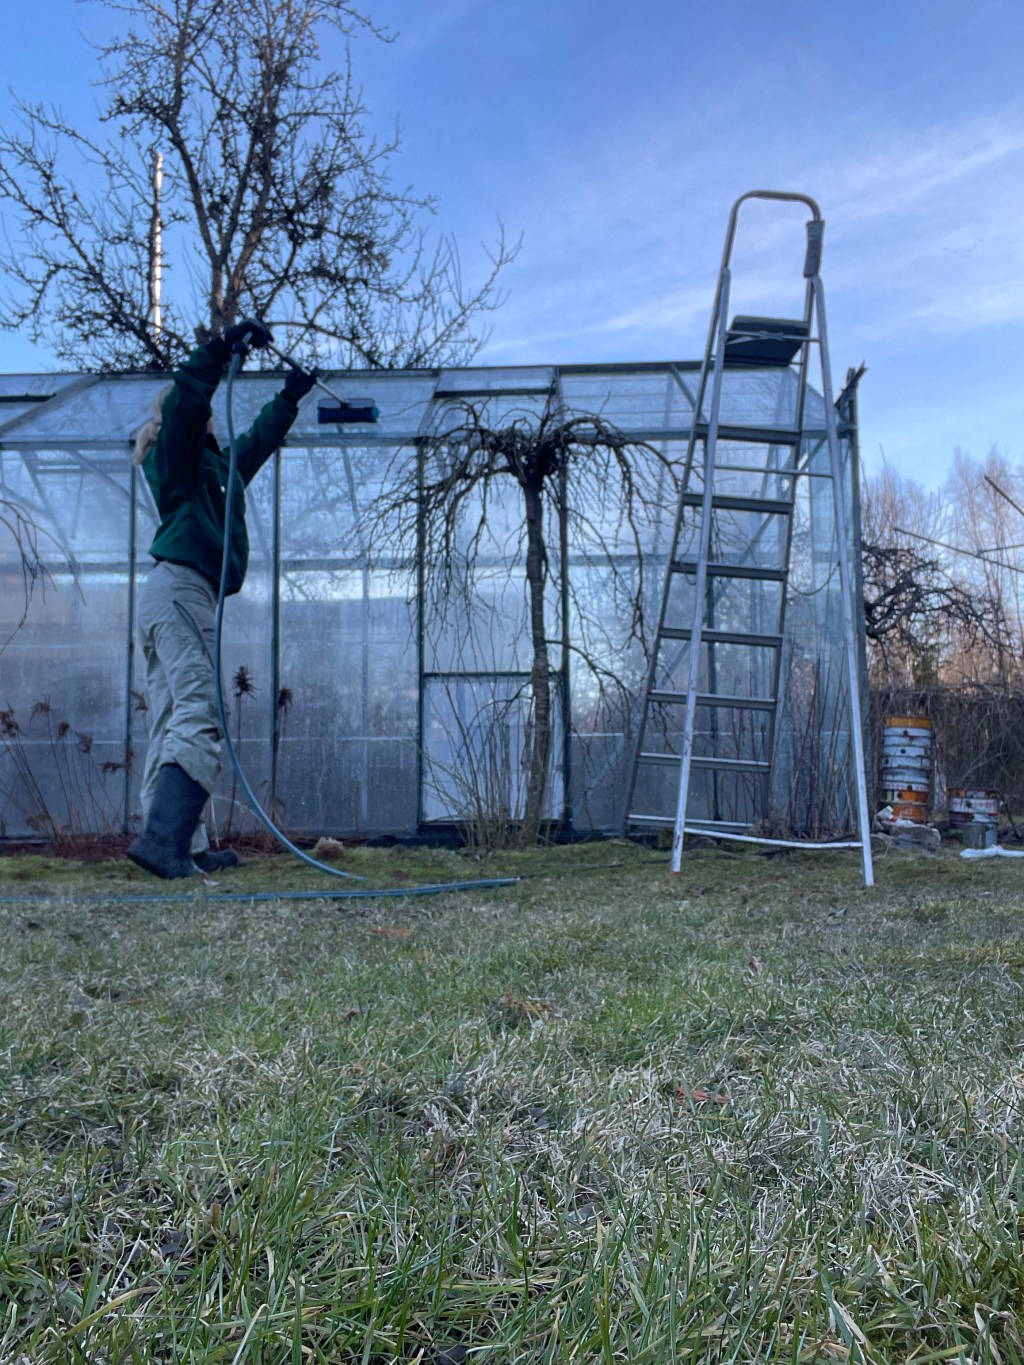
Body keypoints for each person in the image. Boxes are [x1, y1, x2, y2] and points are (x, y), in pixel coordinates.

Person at [127, 320, 316, 878]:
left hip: (177, 593)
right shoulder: (178, 454)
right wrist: (216, 350)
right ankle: (164, 844)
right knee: (201, 709)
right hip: (182, 588)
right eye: (204, 409)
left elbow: (252, 448)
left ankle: (182, 845)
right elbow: (185, 403)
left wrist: (289, 398)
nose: (210, 412)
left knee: (173, 715)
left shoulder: (212, 467)